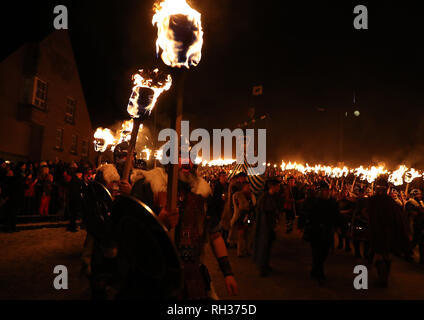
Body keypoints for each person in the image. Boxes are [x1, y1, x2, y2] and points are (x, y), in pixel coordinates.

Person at [366, 177, 409, 287]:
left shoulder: (374, 200)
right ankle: (384, 277)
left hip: (380, 232)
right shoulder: (387, 201)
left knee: (381, 255)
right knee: (385, 255)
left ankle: (383, 278)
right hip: (384, 232)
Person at [303, 181, 340, 285]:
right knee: (317, 253)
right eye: (324, 191)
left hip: (328, 232)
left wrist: (339, 226)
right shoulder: (314, 202)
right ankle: (319, 273)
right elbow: (308, 215)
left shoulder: (333, 202)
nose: (326, 192)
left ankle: (315, 270)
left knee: (324, 253)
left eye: (327, 190)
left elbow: (336, 215)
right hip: (316, 232)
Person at [253, 179, 281, 277]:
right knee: (263, 247)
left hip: (270, 226)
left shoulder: (274, 197)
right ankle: (262, 267)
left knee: (268, 247)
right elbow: (264, 213)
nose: (279, 188)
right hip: (264, 227)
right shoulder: (264, 198)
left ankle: (266, 264)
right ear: (272, 186)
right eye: (277, 186)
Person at [230, 181, 256, 257]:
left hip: (249, 216)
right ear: (243, 187)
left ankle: (248, 250)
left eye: (249, 186)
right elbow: (240, 206)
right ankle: (240, 251)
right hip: (241, 217)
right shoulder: (237, 195)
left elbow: (253, 204)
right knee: (241, 234)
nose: (248, 188)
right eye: (247, 186)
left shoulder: (251, 195)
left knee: (248, 234)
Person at [405, 189, 424, 264]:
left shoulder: (421, 203)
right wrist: (419, 210)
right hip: (412, 224)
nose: (420, 196)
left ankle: (421, 259)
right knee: (413, 241)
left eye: (420, 194)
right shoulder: (410, 202)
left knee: (419, 242)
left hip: (420, 225)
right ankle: (408, 254)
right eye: (418, 194)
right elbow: (413, 214)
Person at [67, 167, 85, 232]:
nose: (81, 175)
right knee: (73, 214)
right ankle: (72, 227)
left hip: (73, 198)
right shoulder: (75, 180)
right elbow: (80, 186)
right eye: (81, 174)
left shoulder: (74, 179)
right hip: (74, 199)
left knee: (73, 214)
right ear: (78, 174)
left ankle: (71, 226)